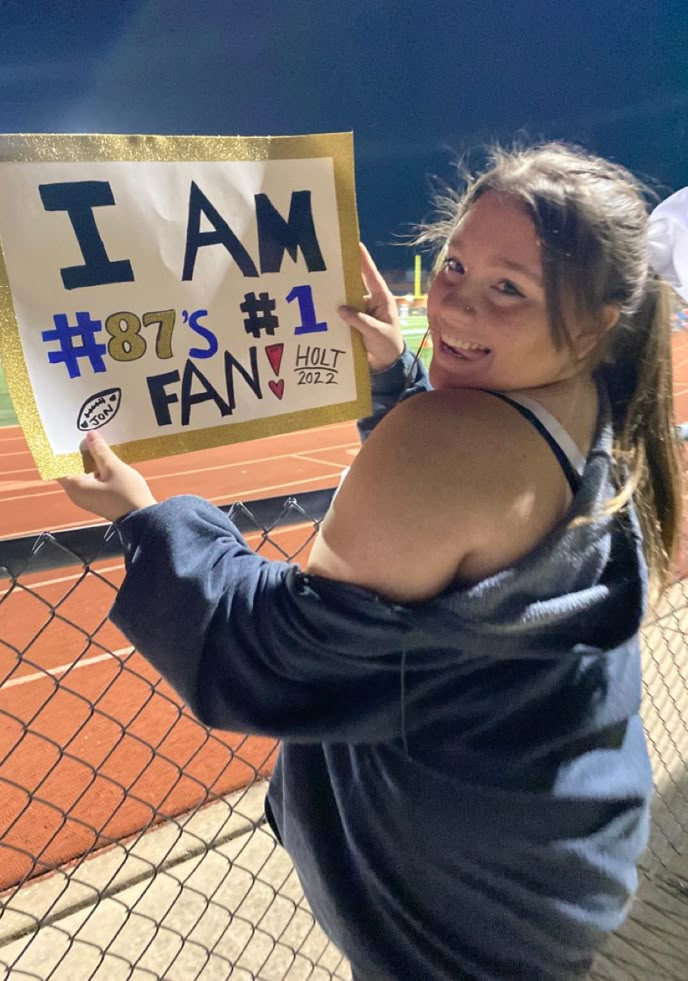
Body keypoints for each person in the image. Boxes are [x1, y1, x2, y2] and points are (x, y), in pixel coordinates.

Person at [59, 143, 683, 980]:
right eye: (456, 263)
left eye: (510, 287)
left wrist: (150, 519)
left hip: (455, 918)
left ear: (597, 322)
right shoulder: (589, 405)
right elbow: (464, 519)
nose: (456, 298)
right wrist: (396, 380)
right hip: (551, 873)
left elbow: (268, 655)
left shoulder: (446, 439)